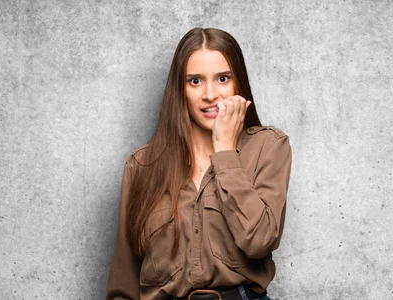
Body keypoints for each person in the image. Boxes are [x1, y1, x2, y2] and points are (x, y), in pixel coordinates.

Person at [106, 27, 292, 300]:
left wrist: (226, 152)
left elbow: (259, 241)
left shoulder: (268, 147)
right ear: (179, 90)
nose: (210, 94)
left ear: (238, 83)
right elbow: (124, 278)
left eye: (222, 78)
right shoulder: (142, 165)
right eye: (195, 81)